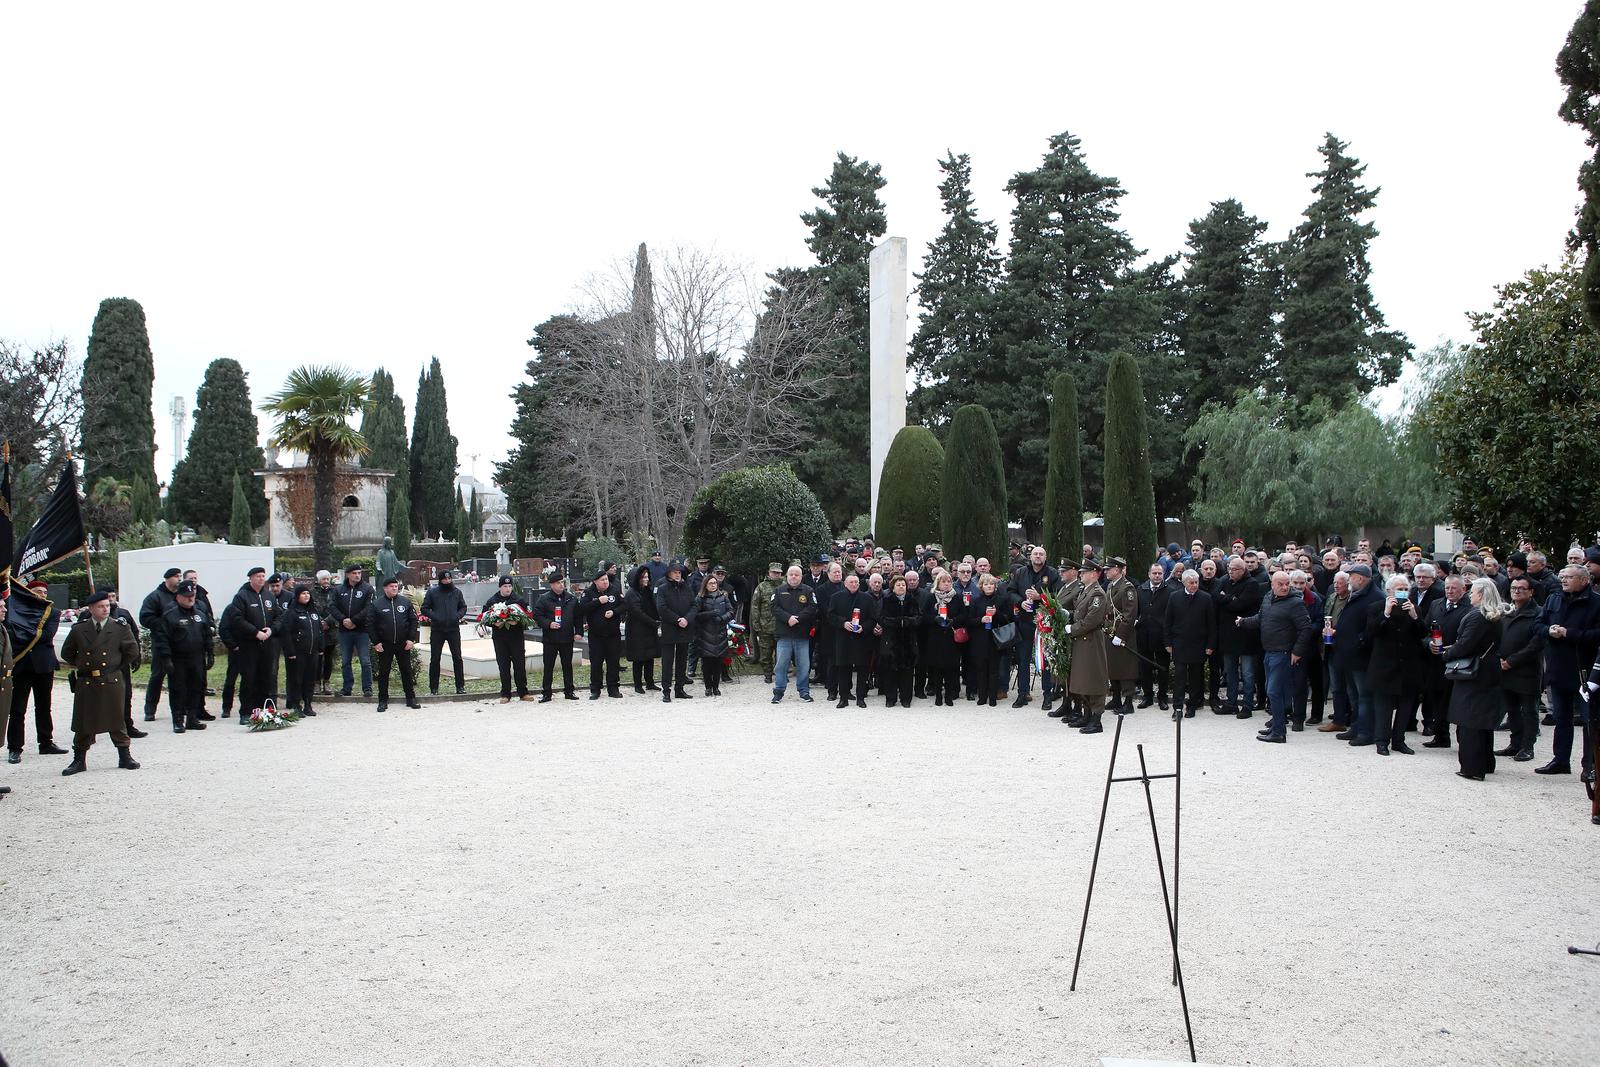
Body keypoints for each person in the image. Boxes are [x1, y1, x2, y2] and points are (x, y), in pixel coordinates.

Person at [58, 590, 143, 775]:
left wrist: (114, 666)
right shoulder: (80, 629)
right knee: (83, 721)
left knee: (116, 719)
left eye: (107, 606)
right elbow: (67, 653)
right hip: (87, 681)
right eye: (101, 606)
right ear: (91, 609)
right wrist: (82, 664)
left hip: (110, 678)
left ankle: (125, 756)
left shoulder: (119, 628)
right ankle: (79, 760)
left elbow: (131, 651)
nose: (106, 609)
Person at [1536, 564, 1600, 778]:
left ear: (1583, 580)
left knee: (1590, 720)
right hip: (1558, 667)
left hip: (1585, 670)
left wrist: (1569, 633)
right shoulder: (1554, 599)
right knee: (1561, 719)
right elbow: (1538, 624)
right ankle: (1560, 760)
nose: (1563, 580)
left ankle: (1589, 765)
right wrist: (1548, 631)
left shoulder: (1596, 602)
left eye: (1569, 577)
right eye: (1562, 577)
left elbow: (1597, 635)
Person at [1444, 578, 1506, 781]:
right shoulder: (1493, 616)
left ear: (1481, 594)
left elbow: (1465, 645)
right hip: (1488, 669)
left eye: (1474, 592)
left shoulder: (1478, 617)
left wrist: (1447, 654)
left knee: (1469, 719)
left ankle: (1472, 766)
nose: (1470, 595)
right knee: (1482, 720)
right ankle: (1486, 762)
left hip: (1475, 672)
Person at [1360, 573, 1424, 755]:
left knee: (1405, 707)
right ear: (1389, 591)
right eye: (1399, 589)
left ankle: (1399, 740)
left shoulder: (1414, 609)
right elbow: (1369, 634)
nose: (1403, 592)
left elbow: (1422, 633)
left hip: (1408, 665)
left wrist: (1414, 617)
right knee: (1383, 707)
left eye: (1405, 589)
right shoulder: (1376, 607)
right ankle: (1381, 740)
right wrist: (1386, 613)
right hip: (1384, 665)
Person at [1497, 575, 1547, 762]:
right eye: (1513, 588)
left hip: (1526, 671)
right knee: (1512, 710)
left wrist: (1512, 661)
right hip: (1504, 669)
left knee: (1529, 711)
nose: (1516, 591)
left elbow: (1536, 644)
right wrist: (1500, 659)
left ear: (1531, 592)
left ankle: (1527, 747)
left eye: (1521, 588)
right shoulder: (1508, 612)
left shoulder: (1539, 613)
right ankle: (1515, 743)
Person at [1008, 546, 1060, 709]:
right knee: (1023, 659)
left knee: (1044, 660)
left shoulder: (1052, 573)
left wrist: (1041, 597)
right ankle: (1022, 694)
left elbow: (1058, 594)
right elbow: (1010, 591)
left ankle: (1047, 695)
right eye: (1035, 554)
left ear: (1045, 557)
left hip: (1044, 623)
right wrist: (1019, 602)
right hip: (1025, 620)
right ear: (1030, 556)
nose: (1038, 556)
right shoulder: (1021, 572)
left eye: (1041, 554)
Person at [162, 581, 216, 733]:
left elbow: (207, 635)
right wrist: (166, 658)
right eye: (186, 596)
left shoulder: (199, 614)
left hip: (196, 657)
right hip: (178, 659)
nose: (190, 599)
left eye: (192, 596)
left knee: (196, 688)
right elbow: (163, 639)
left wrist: (210, 653)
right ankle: (178, 720)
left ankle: (192, 718)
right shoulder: (170, 615)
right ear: (178, 597)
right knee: (178, 690)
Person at [1213, 557, 1262, 719]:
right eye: (1228, 569)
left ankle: (1247, 705)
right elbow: (1216, 598)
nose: (1230, 572)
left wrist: (1227, 599)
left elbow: (1240, 605)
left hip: (1246, 636)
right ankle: (1231, 703)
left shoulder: (1252, 584)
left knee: (1247, 673)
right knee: (1230, 672)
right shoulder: (1224, 580)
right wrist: (1230, 598)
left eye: (1233, 570)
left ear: (1242, 570)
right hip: (1228, 635)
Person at [98, 586, 149, 739]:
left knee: (125, 694)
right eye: (108, 596)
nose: (111, 599)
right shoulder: (90, 616)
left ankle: (127, 724)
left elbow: (134, 634)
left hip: (121, 661)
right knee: (100, 695)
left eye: (113, 596)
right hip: (100, 663)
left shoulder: (123, 614)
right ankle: (98, 724)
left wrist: (136, 655)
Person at [1164, 570, 1214, 720]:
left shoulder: (1206, 598)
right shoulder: (1174, 597)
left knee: (1195, 678)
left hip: (1198, 645)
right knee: (1179, 678)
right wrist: (1168, 642)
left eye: (1196, 582)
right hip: (1179, 644)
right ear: (1184, 582)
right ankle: (1177, 707)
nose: (1194, 585)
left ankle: (1192, 706)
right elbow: (1167, 622)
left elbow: (1211, 624)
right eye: (1191, 583)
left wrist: (1210, 645)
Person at [228, 567, 278, 721]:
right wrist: (255, 632)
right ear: (250, 578)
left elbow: (279, 617)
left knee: (266, 678)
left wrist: (271, 630)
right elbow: (237, 619)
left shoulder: (269, 595)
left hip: (267, 644)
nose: (261, 579)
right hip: (249, 644)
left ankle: (264, 711)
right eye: (258, 576)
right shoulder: (242, 597)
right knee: (249, 678)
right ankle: (246, 711)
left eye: (263, 576)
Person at [366, 576, 421, 713]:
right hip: (385, 644)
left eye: (396, 586)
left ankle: (411, 698)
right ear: (385, 588)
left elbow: (413, 621)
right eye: (391, 586)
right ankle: (383, 700)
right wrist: (376, 642)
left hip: (403, 644)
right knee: (384, 673)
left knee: (407, 671)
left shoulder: (405, 602)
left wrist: (411, 639)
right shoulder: (377, 604)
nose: (394, 588)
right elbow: (370, 624)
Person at [1067, 561, 1111, 732]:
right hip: (1082, 640)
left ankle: (1096, 719)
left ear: (1094, 574)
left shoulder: (1098, 593)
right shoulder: (1087, 591)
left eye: (1084, 573)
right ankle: (1087, 714)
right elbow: (1079, 613)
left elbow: (1092, 620)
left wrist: (1072, 628)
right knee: (1083, 679)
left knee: (1094, 678)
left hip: (1091, 640)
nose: (1080, 575)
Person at [137, 568, 182, 722]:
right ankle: (150, 709)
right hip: (161, 643)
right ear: (167, 578)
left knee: (178, 678)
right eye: (176, 576)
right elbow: (145, 617)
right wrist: (163, 624)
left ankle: (179, 709)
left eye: (180, 576)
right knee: (157, 676)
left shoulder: (180, 596)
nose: (179, 579)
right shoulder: (155, 597)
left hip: (180, 643)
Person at [828, 571, 879, 708]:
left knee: (863, 669)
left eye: (856, 582)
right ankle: (843, 698)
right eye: (851, 582)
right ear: (845, 584)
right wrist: (843, 623)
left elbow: (873, 618)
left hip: (862, 640)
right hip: (843, 639)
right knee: (844, 669)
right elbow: (831, 616)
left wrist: (864, 627)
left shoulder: (866, 598)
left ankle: (861, 698)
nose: (854, 584)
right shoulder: (836, 597)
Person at [275, 583, 324, 718]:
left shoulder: (313, 612)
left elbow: (319, 631)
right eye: (303, 593)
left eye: (308, 593)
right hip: (297, 653)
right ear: (297, 596)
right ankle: (296, 704)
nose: (306, 595)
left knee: (310, 679)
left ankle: (308, 704)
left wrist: (321, 647)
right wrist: (290, 652)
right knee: (296, 679)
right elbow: (286, 633)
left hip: (312, 652)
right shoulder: (291, 613)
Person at [771, 564, 818, 704]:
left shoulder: (809, 591)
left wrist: (798, 618)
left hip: (802, 635)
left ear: (801, 576)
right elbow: (774, 607)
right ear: (787, 576)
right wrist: (788, 618)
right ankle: (778, 692)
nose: (793, 577)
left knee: (804, 665)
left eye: (796, 574)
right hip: (784, 635)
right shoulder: (779, 590)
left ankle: (804, 692)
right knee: (781, 665)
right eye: (791, 574)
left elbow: (813, 607)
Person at [327, 563, 374, 698]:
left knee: (365, 660)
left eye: (359, 573)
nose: (357, 575)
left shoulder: (368, 589)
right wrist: (343, 620)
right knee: (346, 661)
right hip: (344, 631)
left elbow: (369, 608)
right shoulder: (339, 589)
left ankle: (367, 688)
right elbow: (332, 606)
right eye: (354, 573)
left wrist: (354, 620)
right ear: (348, 575)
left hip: (362, 631)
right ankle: (347, 687)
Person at [482, 576, 532, 702]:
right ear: (500, 587)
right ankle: (505, 693)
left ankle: (523, 692)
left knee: (519, 665)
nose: (508, 589)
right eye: (505, 586)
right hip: (500, 638)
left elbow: (528, 616)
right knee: (503, 665)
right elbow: (484, 617)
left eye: (510, 586)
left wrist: (518, 622)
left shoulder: (518, 600)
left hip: (516, 637)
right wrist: (494, 624)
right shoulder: (492, 601)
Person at [532, 573, 581, 702]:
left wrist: (578, 632)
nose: (561, 585)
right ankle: (547, 693)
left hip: (567, 638)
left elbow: (578, 617)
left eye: (562, 582)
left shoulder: (571, 599)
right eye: (558, 583)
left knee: (567, 666)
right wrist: (548, 624)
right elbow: (537, 615)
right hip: (550, 639)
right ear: (552, 585)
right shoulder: (544, 599)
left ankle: (569, 691)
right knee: (548, 666)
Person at [655, 560, 696, 703]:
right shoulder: (663, 588)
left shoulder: (687, 587)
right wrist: (677, 619)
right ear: (669, 574)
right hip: (670, 629)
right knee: (667, 661)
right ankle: (666, 691)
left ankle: (680, 688)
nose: (677, 575)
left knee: (681, 661)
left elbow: (694, 605)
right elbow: (662, 608)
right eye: (675, 572)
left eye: (679, 572)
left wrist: (687, 619)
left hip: (685, 628)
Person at [421, 571, 467, 696]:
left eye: (449, 579)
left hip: (453, 629)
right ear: (440, 580)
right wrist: (435, 616)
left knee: (457, 658)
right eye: (445, 579)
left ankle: (460, 687)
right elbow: (424, 608)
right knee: (435, 659)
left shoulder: (457, 592)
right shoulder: (432, 592)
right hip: (437, 630)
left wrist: (457, 616)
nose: (447, 581)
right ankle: (434, 688)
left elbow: (463, 607)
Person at [1103, 557, 1139, 714]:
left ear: (1117, 570)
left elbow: (1129, 614)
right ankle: (1116, 697)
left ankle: (1128, 702)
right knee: (1113, 666)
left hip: (1123, 634)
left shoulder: (1127, 588)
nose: (1105, 572)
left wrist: (1120, 634)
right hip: (1110, 632)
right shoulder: (1111, 586)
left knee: (1126, 668)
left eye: (1108, 569)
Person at [879, 574, 920, 707]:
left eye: (903, 584)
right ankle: (890, 698)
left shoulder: (912, 600)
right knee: (890, 670)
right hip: (891, 641)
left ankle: (906, 698)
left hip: (908, 641)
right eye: (898, 585)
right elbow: (881, 618)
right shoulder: (886, 600)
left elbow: (918, 618)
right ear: (893, 587)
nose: (901, 587)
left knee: (907, 672)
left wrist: (907, 622)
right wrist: (897, 622)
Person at [583, 569, 625, 700]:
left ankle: (613, 689)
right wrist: (598, 601)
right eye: (602, 580)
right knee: (596, 663)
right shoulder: (588, 592)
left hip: (613, 634)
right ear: (595, 582)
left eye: (606, 579)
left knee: (613, 662)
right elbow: (582, 609)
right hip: (596, 635)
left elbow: (624, 605)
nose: (605, 582)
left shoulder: (614, 590)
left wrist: (614, 612)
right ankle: (595, 689)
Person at [1136, 563, 1172, 711]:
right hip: (1144, 635)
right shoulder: (1140, 590)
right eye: (1154, 573)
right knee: (1145, 668)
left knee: (1163, 668)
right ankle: (1147, 696)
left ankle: (1162, 697)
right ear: (1149, 574)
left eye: (1160, 573)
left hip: (1162, 636)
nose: (1157, 576)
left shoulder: (1170, 591)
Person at [625, 566, 662, 694]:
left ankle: (650, 682)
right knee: (638, 658)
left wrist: (656, 620)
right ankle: (638, 684)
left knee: (649, 657)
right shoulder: (631, 593)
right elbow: (637, 612)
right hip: (637, 630)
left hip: (648, 629)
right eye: (644, 577)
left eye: (647, 576)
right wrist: (653, 623)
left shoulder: (646, 591)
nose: (646, 579)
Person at [752, 563, 783, 684]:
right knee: (765, 653)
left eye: (778, 573)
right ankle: (768, 674)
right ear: (769, 572)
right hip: (765, 626)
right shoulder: (761, 587)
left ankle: (780, 674)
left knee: (781, 654)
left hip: (781, 627)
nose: (776, 575)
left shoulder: (785, 586)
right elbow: (755, 607)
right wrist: (756, 624)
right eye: (774, 572)